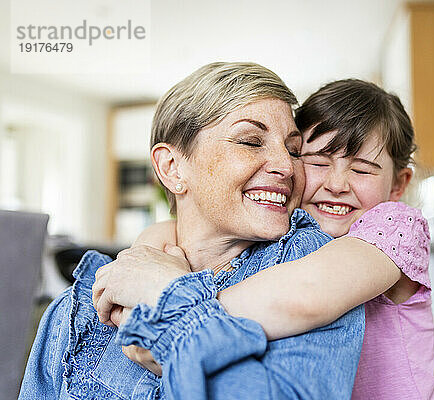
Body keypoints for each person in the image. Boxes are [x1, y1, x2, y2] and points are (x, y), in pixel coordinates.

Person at [19, 62, 366, 400]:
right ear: (171, 168)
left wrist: (172, 296)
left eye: (293, 150)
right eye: (250, 141)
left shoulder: (318, 273)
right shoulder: (77, 309)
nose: (286, 166)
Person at [94, 79, 434, 399]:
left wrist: (171, 294)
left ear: (398, 184)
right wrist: (141, 258)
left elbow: (308, 294)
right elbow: (171, 231)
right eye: (317, 162)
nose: (337, 184)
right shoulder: (291, 227)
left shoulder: (395, 226)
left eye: (362, 169)